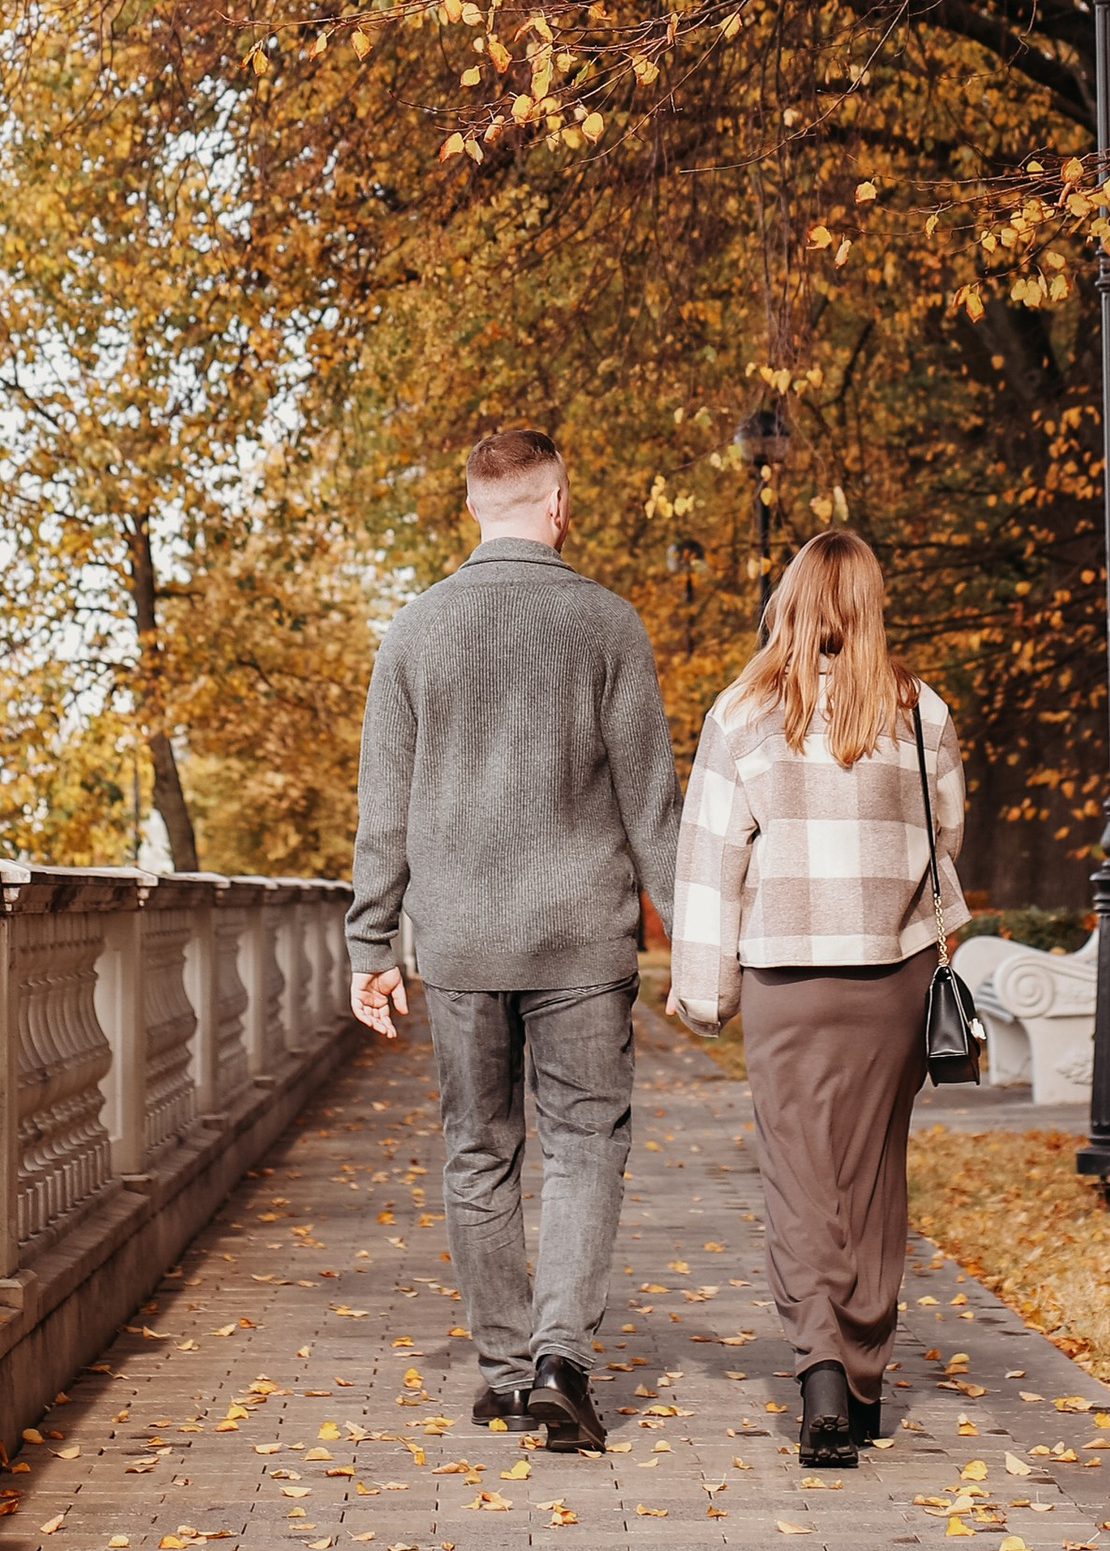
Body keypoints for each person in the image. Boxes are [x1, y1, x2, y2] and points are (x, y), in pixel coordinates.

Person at [346, 423, 680, 1455]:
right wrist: (699, 944)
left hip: (459, 940)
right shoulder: (607, 622)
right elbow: (653, 807)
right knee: (584, 1146)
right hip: (582, 938)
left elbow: (382, 811)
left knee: (477, 1150)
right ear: (558, 505)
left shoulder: (414, 631)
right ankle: (558, 1360)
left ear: (472, 510)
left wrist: (370, 944)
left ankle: (503, 1370)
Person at [667, 527, 966, 1471]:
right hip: (892, 976)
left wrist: (705, 992)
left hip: (787, 978)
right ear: (871, 601)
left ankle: (822, 1368)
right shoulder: (921, 709)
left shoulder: (743, 711)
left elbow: (711, 859)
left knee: (799, 1176)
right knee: (873, 1172)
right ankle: (865, 1376)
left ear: (789, 600)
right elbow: (946, 834)